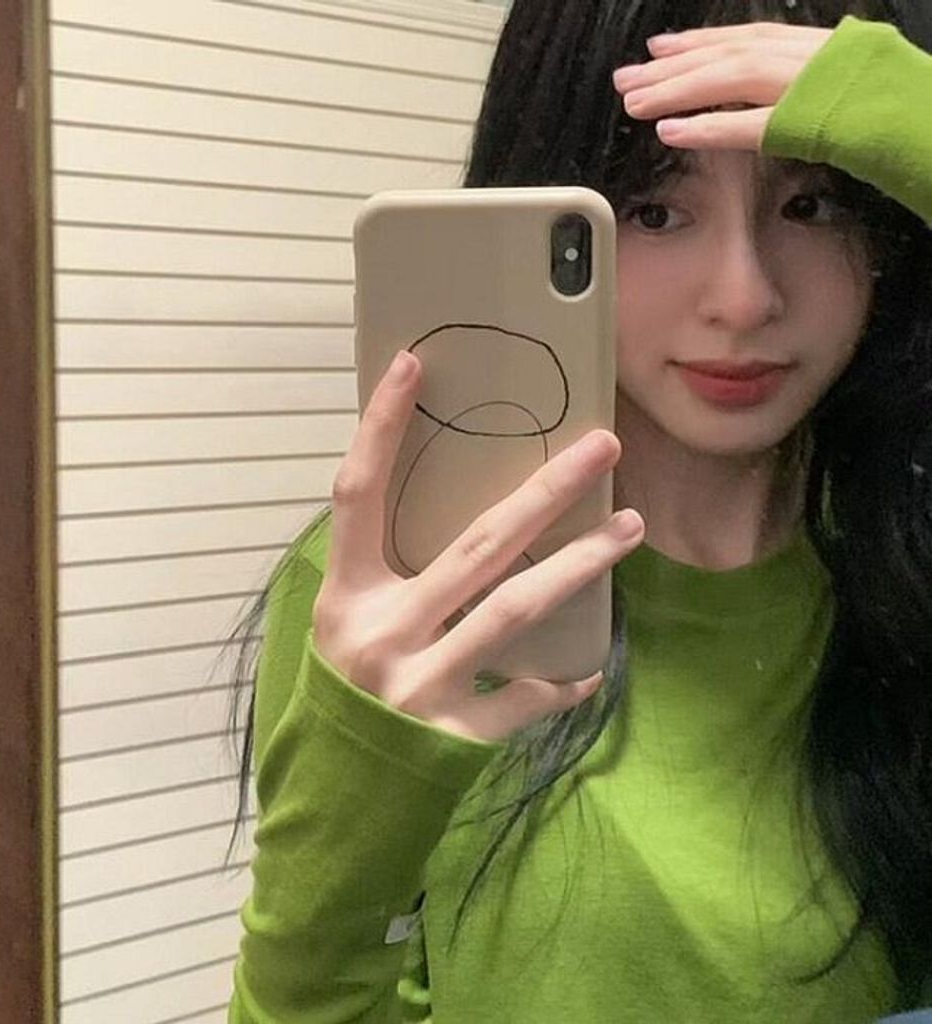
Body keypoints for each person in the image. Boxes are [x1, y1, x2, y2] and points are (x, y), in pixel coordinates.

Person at [226, 0, 932, 1020]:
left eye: (812, 205)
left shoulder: (899, 557)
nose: (743, 298)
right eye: (653, 209)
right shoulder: (403, 593)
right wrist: (344, 836)